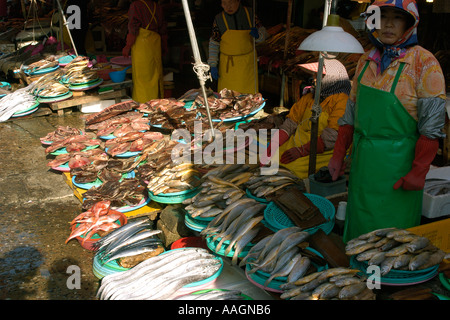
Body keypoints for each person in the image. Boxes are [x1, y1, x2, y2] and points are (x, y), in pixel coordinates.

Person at [328, 0, 447, 242]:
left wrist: (419, 170)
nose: (389, 24)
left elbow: (431, 130)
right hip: (362, 168)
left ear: (409, 23)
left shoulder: (425, 64)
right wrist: (339, 153)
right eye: (382, 17)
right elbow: (350, 114)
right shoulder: (365, 60)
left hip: (398, 171)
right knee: (359, 235)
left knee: (391, 241)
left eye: (398, 17)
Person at [264, 59, 351, 180]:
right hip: (297, 143)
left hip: (323, 151)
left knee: (290, 170)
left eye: (320, 76)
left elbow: (332, 137)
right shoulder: (311, 96)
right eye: (315, 75)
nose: (314, 79)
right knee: (268, 160)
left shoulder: (342, 100)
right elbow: (291, 122)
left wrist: (301, 151)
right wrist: (274, 144)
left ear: (333, 79)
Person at [207, 0, 266, 94]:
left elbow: (263, 35)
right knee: (227, 97)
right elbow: (214, 42)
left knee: (249, 98)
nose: (228, 7)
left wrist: (258, 35)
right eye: (224, 3)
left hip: (247, 64)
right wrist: (213, 64)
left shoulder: (250, 14)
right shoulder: (219, 19)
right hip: (228, 66)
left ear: (238, 1)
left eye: (231, 2)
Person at [122, 0, 168, 103]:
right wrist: (164, 46)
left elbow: (133, 27)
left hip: (142, 45)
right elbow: (163, 29)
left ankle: (143, 104)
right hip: (155, 44)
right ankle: (156, 103)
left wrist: (127, 46)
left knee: (142, 78)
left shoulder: (136, 5)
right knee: (155, 75)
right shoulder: (157, 6)